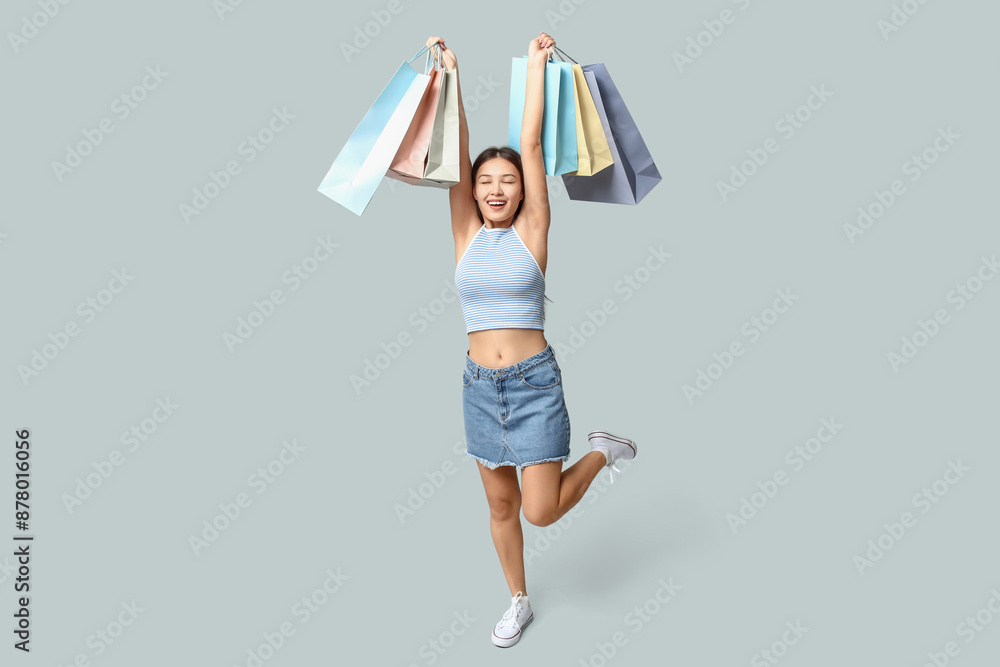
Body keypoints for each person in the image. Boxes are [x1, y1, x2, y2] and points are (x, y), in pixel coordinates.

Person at [426, 32, 638, 648]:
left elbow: (529, 143)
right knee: (499, 507)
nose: (495, 188)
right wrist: (451, 75)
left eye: (508, 182)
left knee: (540, 509)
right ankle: (518, 599)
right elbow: (459, 150)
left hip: (533, 384)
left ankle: (602, 450)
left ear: (523, 192)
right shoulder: (465, 229)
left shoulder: (533, 232)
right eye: (485, 181)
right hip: (477, 388)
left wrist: (540, 68)